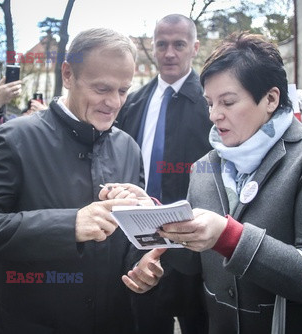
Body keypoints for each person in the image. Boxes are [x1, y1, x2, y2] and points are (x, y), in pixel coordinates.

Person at [155, 32, 302, 333]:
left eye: (228, 102)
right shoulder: (205, 166)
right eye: (209, 103)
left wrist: (230, 237)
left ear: (270, 99)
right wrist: (156, 245)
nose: (214, 115)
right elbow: (195, 263)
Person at [0, 28, 164, 334]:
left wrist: (142, 262)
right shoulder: (15, 138)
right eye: (102, 89)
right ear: (68, 75)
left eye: (123, 90)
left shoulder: (128, 148)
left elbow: (129, 239)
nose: (114, 102)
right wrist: (70, 225)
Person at [117, 14, 211, 334]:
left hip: (196, 244)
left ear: (194, 48)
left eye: (179, 45)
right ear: (153, 49)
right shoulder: (133, 103)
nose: (169, 53)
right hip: (140, 240)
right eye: (162, 45)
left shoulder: (211, 104)